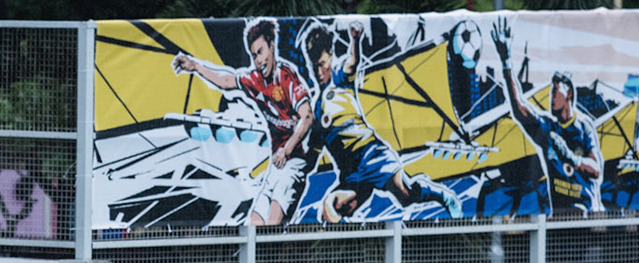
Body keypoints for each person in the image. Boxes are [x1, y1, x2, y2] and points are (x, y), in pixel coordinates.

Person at [305, 21, 461, 223]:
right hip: (351, 172)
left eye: (321, 65)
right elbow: (312, 153)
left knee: (405, 195)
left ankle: (443, 196)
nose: (318, 72)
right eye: (314, 66)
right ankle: (351, 240)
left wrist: (355, 39)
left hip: (371, 153)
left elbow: (352, 62)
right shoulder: (316, 109)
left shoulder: (339, 79)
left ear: (330, 55)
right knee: (330, 209)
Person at [171, 18, 316, 227]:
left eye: (261, 52)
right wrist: (195, 67)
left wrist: (286, 150)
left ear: (272, 46)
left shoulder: (286, 77)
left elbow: (307, 116)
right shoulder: (254, 80)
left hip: (293, 162)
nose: (258, 60)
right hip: (275, 166)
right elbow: (225, 81)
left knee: (272, 226)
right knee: (254, 226)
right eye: (254, 55)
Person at [491, 18, 600, 214]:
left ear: (569, 94)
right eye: (550, 92)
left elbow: (596, 169)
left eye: (555, 92)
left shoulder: (584, 126)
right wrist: (506, 61)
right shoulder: (547, 128)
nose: (551, 97)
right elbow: (519, 108)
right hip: (558, 215)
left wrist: (571, 158)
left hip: (586, 213)